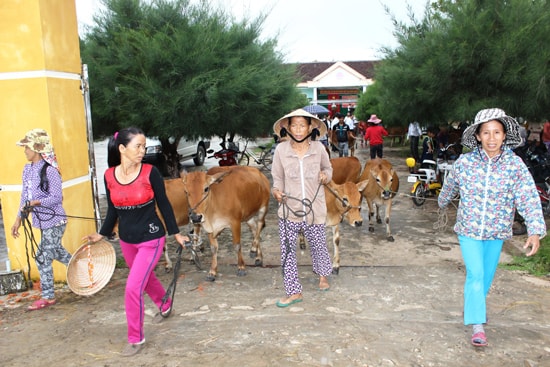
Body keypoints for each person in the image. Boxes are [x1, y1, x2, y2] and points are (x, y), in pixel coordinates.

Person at [438, 108, 546, 348]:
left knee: (485, 276)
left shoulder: (514, 165)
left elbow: (528, 196)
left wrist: (535, 229)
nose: (492, 138)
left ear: (505, 135)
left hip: (497, 232)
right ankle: (477, 325)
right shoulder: (465, 162)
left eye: (497, 132)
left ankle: (476, 306)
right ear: (477, 136)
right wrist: (442, 200)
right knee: (475, 274)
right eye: (486, 132)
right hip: (469, 230)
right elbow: (450, 184)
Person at [84, 127, 190, 357]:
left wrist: (176, 234)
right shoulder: (109, 176)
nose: (142, 151)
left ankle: (135, 338)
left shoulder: (150, 172)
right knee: (145, 277)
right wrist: (101, 233)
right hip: (127, 240)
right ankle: (165, 303)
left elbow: (164, 205)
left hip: (152, 237)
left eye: (144, 146)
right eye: (138, 146)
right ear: (122, 148)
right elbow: (112, 209)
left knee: (133, 287)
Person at [271, 108, 333, 308]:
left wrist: (326, 175)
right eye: (294, 125)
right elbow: (278, 177)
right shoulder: (281, 150)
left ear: (310, 127)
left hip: (315, 208)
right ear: (287, 128)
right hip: (289, 209)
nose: (298, 130)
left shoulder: (319, 149)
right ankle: (293, 291)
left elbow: (328, 169)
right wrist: (277, 191)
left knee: (318, 244)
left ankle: (323, 275)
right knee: (288, 251)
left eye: (302, 125)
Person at [11, 129, 72, 311]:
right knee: (58, 253)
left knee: (43, 257)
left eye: (26, 147)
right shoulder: (27, 169)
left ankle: (48, 296)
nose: (24, 151)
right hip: (41, 222)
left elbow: (57, 197)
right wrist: (18, 220)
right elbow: (24, 197)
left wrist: (38, 202)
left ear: (36, 148)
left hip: (55, 221)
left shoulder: (50, 170)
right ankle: (84, 270)